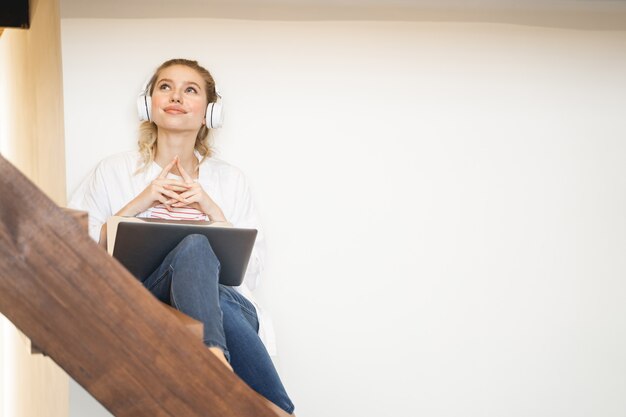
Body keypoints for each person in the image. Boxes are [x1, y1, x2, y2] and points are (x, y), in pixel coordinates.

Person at [70, 58, 295, 414]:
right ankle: (237, 380)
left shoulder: (229, 180)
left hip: (226, 306)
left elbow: (248, 275)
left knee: (205, 272)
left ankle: (212, 361)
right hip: (145, 301)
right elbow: (77, 253)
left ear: (209, 113)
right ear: (149, 104)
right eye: (165, 87)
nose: (176, 96)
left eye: (190, 90)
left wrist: (212, 211)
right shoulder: (113, 171)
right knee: (194, 247)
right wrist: (137, 204)